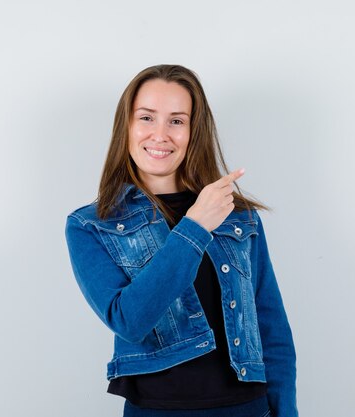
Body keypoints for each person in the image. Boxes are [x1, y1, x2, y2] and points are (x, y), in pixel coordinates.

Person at [65, 64, 297, 417]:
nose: (160, 134)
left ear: (193, 131)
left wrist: (286, 412)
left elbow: (272, 329)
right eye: (146, 118)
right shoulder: (92, 226)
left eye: (176, 121)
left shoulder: (236, 215)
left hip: (246, 409)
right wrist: (194, 227)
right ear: (126, 127)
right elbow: (130, 320)